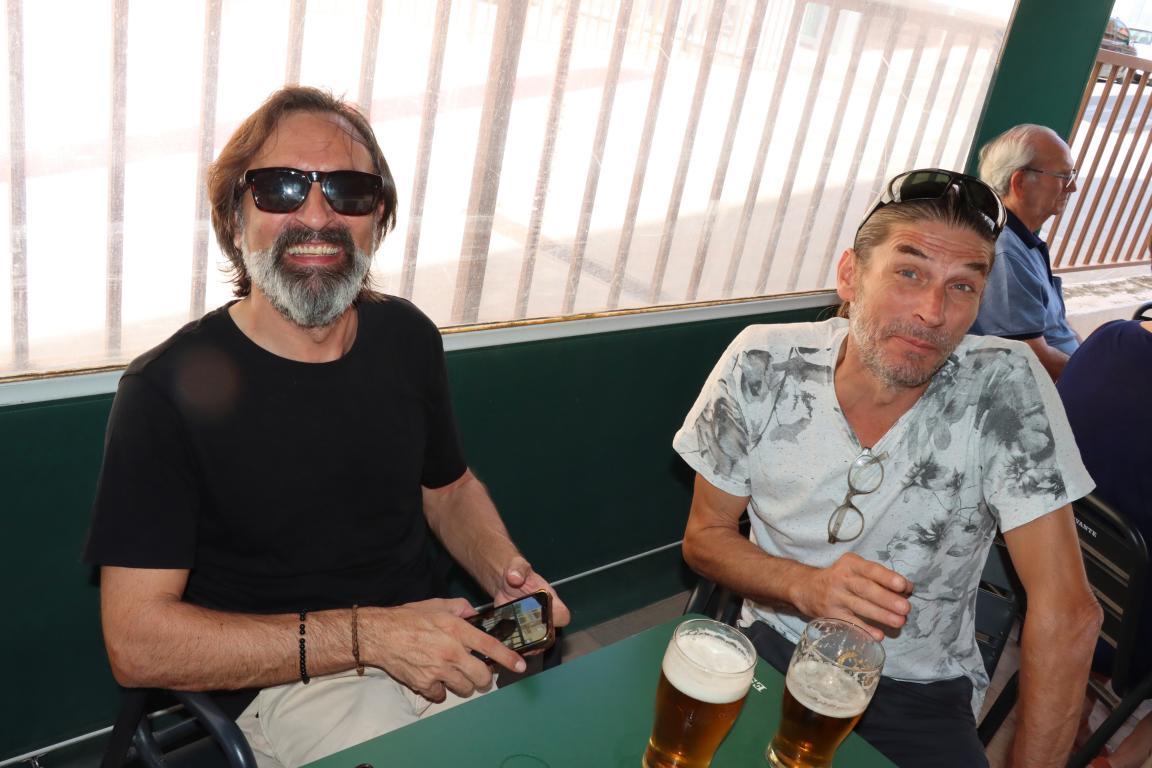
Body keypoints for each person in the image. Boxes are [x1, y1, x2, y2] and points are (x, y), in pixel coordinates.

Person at [84, 85, 569, 768]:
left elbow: (449, 489)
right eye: (280, 188)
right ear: (234, 217)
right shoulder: (162, 392)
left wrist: (506, 572)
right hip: (286, 682)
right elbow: (136, 643)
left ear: (378, 220)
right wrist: (367, 636)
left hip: (428, 630)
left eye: (349, 191)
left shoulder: (407, 338)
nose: (317, 215)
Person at [673, 168, 1102, 767]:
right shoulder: (763, 362)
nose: (933, 312)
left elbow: (1069, 612)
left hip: (919, 691)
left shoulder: (1004, 386)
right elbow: (705, 538)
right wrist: (804, 586)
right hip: (774, 646)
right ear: (851, 275)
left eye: (962, 286)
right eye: (909, 273)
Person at [1058, 318, 1152, 768]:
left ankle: (1074, 710)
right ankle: (1124, 758)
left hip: (1048, 581)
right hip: (1128, 632)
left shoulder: (1109, 339)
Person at [972, 124, 1081, 380]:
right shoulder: (1004, 251)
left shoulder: (1021, 239)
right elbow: (1030, 357)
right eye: (1064, 176)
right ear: (1020, 182)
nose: (1072, 188)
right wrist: (1097, 375)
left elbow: (1057, 325)